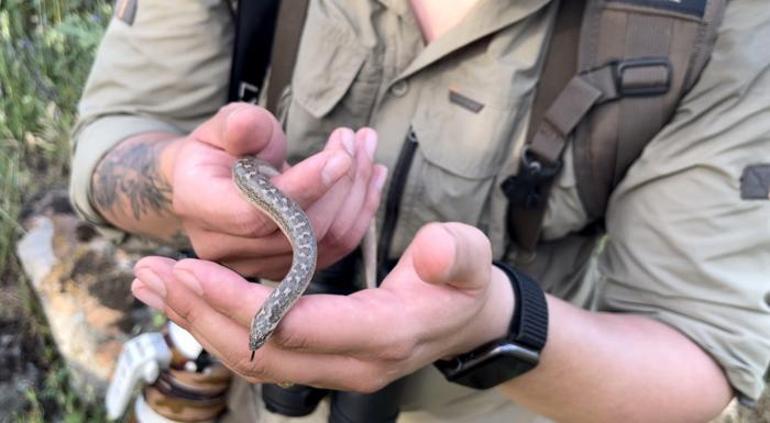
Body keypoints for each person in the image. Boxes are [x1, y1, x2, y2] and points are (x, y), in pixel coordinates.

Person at [69, 0, 770, 421]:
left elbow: (701, 344)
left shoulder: (729, 22)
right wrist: (175, 180)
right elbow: (113, 135)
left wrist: (494, 318)